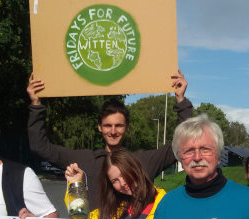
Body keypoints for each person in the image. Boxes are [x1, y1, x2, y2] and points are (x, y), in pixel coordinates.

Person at [27, 70, 193, 209]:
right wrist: (35, 104)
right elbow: (39, 146)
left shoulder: (143, 161)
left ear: (127, 127)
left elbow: (181, 144)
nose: (113, 131)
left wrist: (181, 100)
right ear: (99, 127)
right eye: (107, 126)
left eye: (119, 126)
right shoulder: (84, 160)